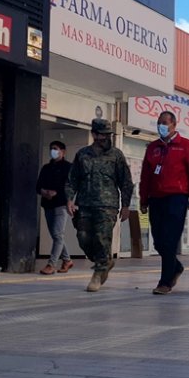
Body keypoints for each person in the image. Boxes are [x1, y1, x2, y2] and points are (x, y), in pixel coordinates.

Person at [65, 119, 133, 292]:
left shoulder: (116, 155)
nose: (105, 138)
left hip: (107, 206)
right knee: (83, 238)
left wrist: (125, 206)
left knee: (102, 239)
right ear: (94, 134)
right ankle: (104, 261)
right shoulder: (82, 155)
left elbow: (126, 182)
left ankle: (98, 272)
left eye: (108, 135)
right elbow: (72, 180)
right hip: (85, 205)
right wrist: (69, 199)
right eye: (102, 134)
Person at [140, 111, 189, 296]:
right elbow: (145, 176)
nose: (161, 126)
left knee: (169, 240)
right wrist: (143, 199)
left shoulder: (186, 146)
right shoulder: (153, 147)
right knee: (158, 241)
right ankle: (176, 267)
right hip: (156, 198)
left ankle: (165, 282)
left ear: (174, 125)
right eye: (159, 123)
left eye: (165, 123)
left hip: (177, 198)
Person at [37, 141, 74, 275]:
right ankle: (67, 260)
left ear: (63, 152)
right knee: (55, 235)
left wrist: (65, 198)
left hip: (61, 205)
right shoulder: (46, 168)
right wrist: (44, 192)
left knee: (58, 234)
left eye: (56, 149)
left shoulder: (69, 167)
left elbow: (71, 187)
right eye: (51, 149)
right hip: (48, 205)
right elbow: (38, 186)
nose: (53, 151)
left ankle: (51, 264)